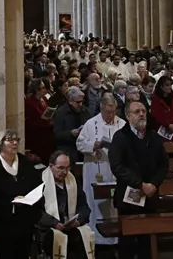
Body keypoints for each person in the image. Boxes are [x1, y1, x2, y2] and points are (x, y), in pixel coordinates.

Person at [109, 101, 168, 259]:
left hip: (150, 196)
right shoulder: (120, 137)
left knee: (147, 242)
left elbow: (164, 165)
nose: (141, 114)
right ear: (128, 116)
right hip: (128, 196)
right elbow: (117, 166)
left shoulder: (153, 137)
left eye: (143, 111)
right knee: (127, 242)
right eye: (136, 112)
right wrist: (140, 184)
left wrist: (154, 184)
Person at [0, 130, 42, 259]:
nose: (15, 143)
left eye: (16, 140)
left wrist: (29, 201)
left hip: (25, 224)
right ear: (0, 144)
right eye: (10, 140)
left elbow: (37, 186)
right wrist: (12, 204)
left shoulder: (25, 164)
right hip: (2, 227)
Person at [75, 94, 125, 249]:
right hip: (96, 168)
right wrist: (93, 145)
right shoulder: (91, 124)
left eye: (113, 111)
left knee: (114, 205)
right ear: (101, 109)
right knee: (95, 203)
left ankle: (116, 240)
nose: (111, 115)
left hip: (116, 171)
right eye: (108, 112)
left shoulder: (122, 124)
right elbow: (80, 144)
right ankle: (96, 239)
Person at [38, 151, 94, 259]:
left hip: (70, 227)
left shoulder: (73, 180)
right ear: (51, 166)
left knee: (84, 236)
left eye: (67, 168)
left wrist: (78, 220)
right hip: (49, 228)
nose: (64, 172)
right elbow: (36, 211)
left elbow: (83, 206)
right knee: (55, 239)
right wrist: (55, 223)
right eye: (60, 168)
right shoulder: (40, 181)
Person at [53, 87, 87, 163]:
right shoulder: (61, 112)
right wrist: (70, 133)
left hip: (82, 148)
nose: (81, 104)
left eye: (82, 101)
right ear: (70, 101)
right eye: (78, 102)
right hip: (68, 150)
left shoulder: (84, 111)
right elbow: (57, 135)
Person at [24, 80, 55, 162]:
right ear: (37, 90)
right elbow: (32, 121)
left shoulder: (43, 99)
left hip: (46, 132)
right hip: (37, 136)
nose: (45, 90)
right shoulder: (30, 103)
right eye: (43, 88)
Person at [149, 75, 173, 142]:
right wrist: (167, 125)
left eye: (171, 85)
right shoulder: (155, 98)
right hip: (162, 131)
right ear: (161, 86)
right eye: (167, 85)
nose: (170, 87)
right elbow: (155, 115)